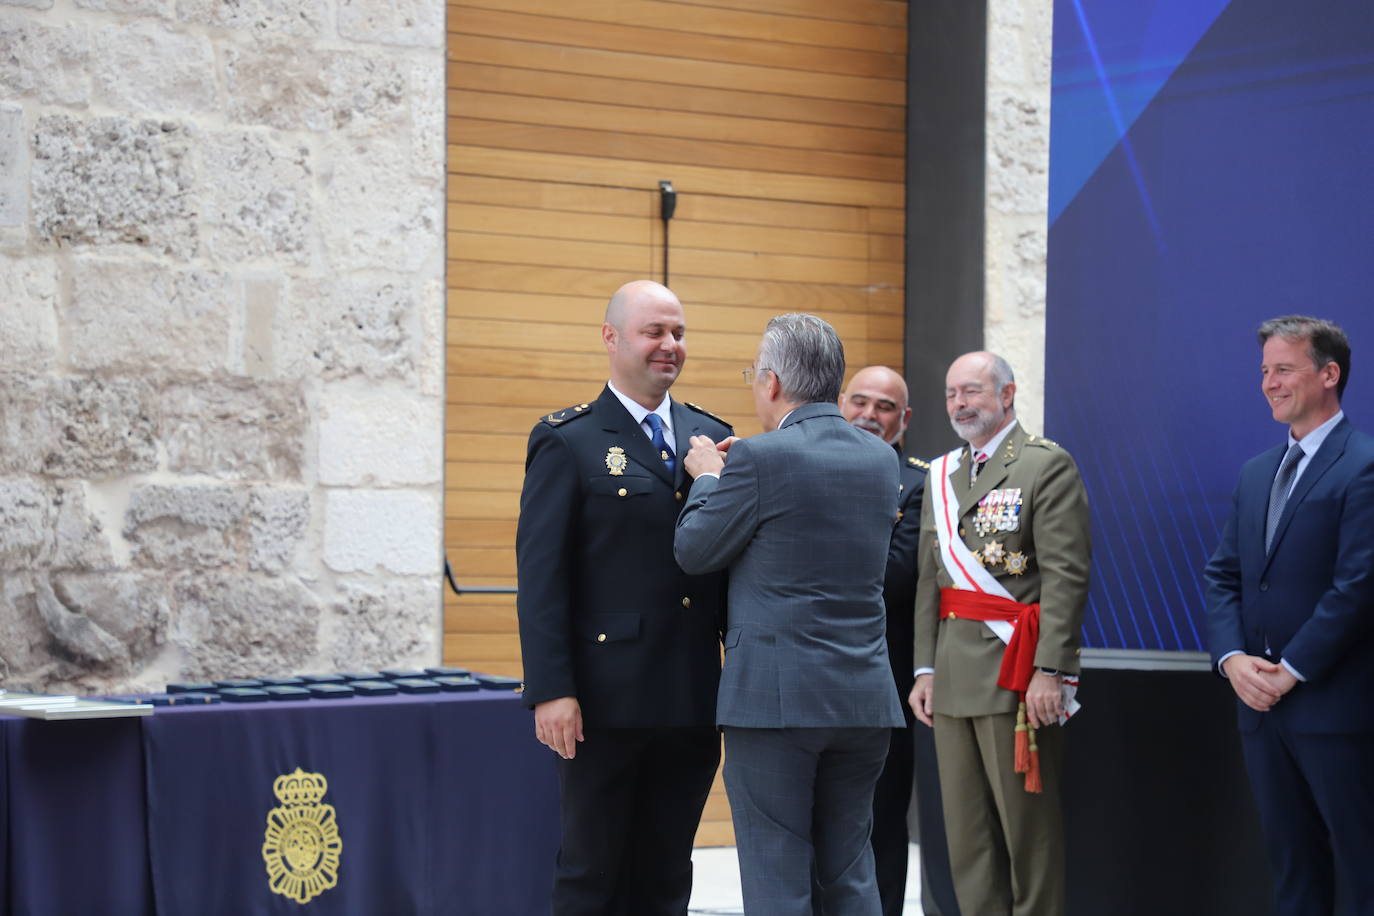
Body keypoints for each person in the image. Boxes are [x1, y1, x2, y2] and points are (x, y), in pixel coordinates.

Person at [674, 313, 905, 916]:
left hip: (774, 704)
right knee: (851, 872)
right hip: (862, 699)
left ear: (772, 383)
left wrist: (707, 480)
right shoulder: (882, 462)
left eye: (755, 375)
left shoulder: (758, 458)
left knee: (778, 877)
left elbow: (695, 550)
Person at [515, 280, 733, 916]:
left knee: (667, 872)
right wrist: (552, 689)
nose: (670, 346)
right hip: (603, 702)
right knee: (592, 870)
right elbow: (543, 576)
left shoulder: (710, 437)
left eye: (679, 333)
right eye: (654, 332)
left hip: (690, 695)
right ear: (611, 338)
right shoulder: (568, 440)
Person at [909, 350, 1090, 916]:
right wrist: (924, 668)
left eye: (972, 392)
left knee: (1026, 834)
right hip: (954, 673)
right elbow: (929, 581)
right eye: (950, 394)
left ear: (1006, 396)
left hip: (1016, 674)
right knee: (967, 837)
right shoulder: (941, 475)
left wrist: (1051, 670)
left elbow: (1066, 576)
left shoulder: (1044, 465)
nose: (959, 404)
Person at [1204, 315, 1374, 916]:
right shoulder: (1258, 473)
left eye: (1283, 369)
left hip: (1336, 711)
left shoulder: (1364, 465)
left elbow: (1359, 587)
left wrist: (1291, 667)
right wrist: (1232, 661)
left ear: (1329, 375)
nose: (1268, 383)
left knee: (1361, 872)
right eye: (1264, 371)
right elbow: (1225, 575)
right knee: (1293, 870)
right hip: (1262, 715)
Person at [837, 366, 960, 916]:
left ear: (904, 420)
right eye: (859, 401)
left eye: (884, 406)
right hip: (808, 677)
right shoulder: (804, 465)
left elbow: (894, 576)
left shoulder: (921, 483)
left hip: (885, 683)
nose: (868, 415)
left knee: (881, 823)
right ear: (840, 404)